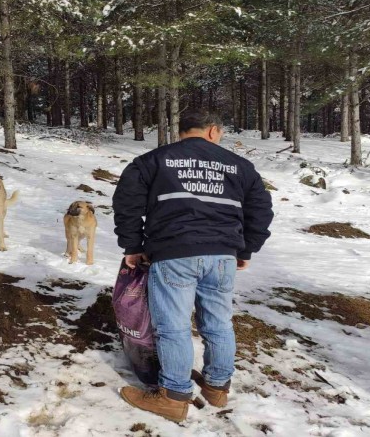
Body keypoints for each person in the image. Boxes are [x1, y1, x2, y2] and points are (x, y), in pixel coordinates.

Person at [112, 110, 274, 422]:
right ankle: (216, 387)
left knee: (173, 327)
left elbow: (127, 203)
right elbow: (261, 210)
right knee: (218, 324)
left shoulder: (153, 160)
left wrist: (133, 245)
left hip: (174, 254)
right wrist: (245, 249)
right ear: (213, 131)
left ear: (181, 131)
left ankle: (173, 397)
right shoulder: (240, 166)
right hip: (223, 256)